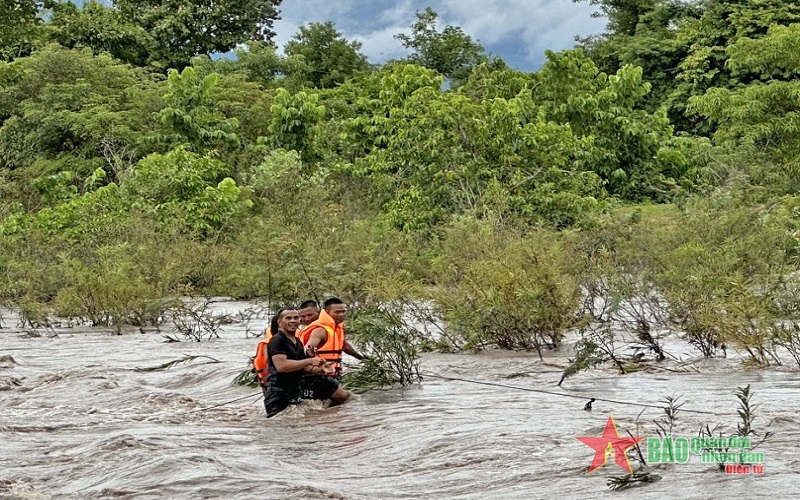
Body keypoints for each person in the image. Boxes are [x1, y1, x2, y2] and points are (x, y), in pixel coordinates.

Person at [262, 306, 349, 417]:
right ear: (280, 322)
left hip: (296, 390)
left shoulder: (297, 342)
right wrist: (310, 360)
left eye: (295, 318)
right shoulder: (277, 340)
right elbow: (282, 366)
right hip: (279, 393)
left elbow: (304, 368)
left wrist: (321, 369)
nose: (293, 321)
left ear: (300, 320)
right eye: (288, 318)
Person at [299, 297, 364, 378]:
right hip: (319, 375)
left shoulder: (337, 328)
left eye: (343, 312)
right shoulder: (320, 330)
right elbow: (305, 351)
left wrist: (363, 359)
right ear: (327, 312)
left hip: (333, 374)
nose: (341, 315)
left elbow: (345, 346)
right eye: (337, 312)